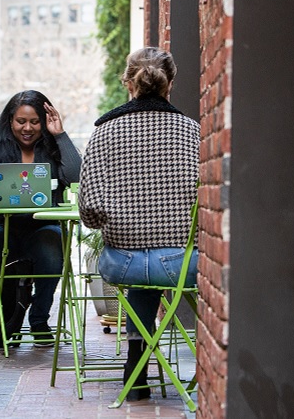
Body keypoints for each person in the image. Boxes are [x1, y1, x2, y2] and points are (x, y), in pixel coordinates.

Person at [78, 47, 200, 400]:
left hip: (122, 263)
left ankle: (136, 371)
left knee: (141, 278)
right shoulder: (192, 132)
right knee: (158, 274)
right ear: (170, 84)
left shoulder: (104, 132)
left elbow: (90, 213)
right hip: (181, 265)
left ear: (127, 82)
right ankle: (193, 367)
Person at [0, 90, 81, 345]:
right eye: (21, 121)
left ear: (44, 122)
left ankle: (39, 319)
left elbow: (75, 176)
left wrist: (60, 135)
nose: (27, 128)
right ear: (10, 121)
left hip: (44, 225)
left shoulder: (54, 147)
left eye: (34, 122)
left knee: (51, 251)